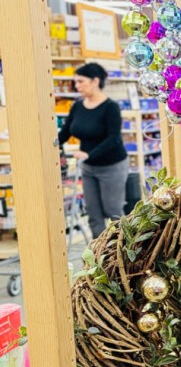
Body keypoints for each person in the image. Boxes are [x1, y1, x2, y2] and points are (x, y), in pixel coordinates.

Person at [58, 63, 129, 238]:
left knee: (113, 211)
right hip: (88, 167)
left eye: (81, 81)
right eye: (76, 82)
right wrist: (51, 146)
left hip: (112, 166)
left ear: (95, 81)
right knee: (93, 214)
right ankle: (100, 255)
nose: (77, 86)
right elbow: (66, 132)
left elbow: (114, 139)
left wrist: (89, 154)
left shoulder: (110, 107)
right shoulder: (77, 106)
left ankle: (123, 250)